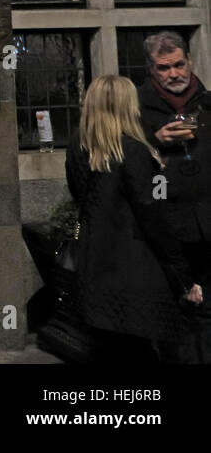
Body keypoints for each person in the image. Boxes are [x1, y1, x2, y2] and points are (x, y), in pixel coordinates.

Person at [67, 74, 203, 362]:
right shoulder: (133, 151)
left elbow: (83, 199)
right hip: (134, 275)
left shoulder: (78, 147)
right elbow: (153, 217)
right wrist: (184, 278)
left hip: (94, 267)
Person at [131, 31, 211, 361]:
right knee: (175, 314)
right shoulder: (136, 109)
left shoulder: (207, 103)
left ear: (189, 62)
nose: (174, 74)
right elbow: (123, 163)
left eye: (179, 65)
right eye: (164, 69)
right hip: (165, 230)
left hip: (207, 225)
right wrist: (154, 141)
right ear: (152, 71)